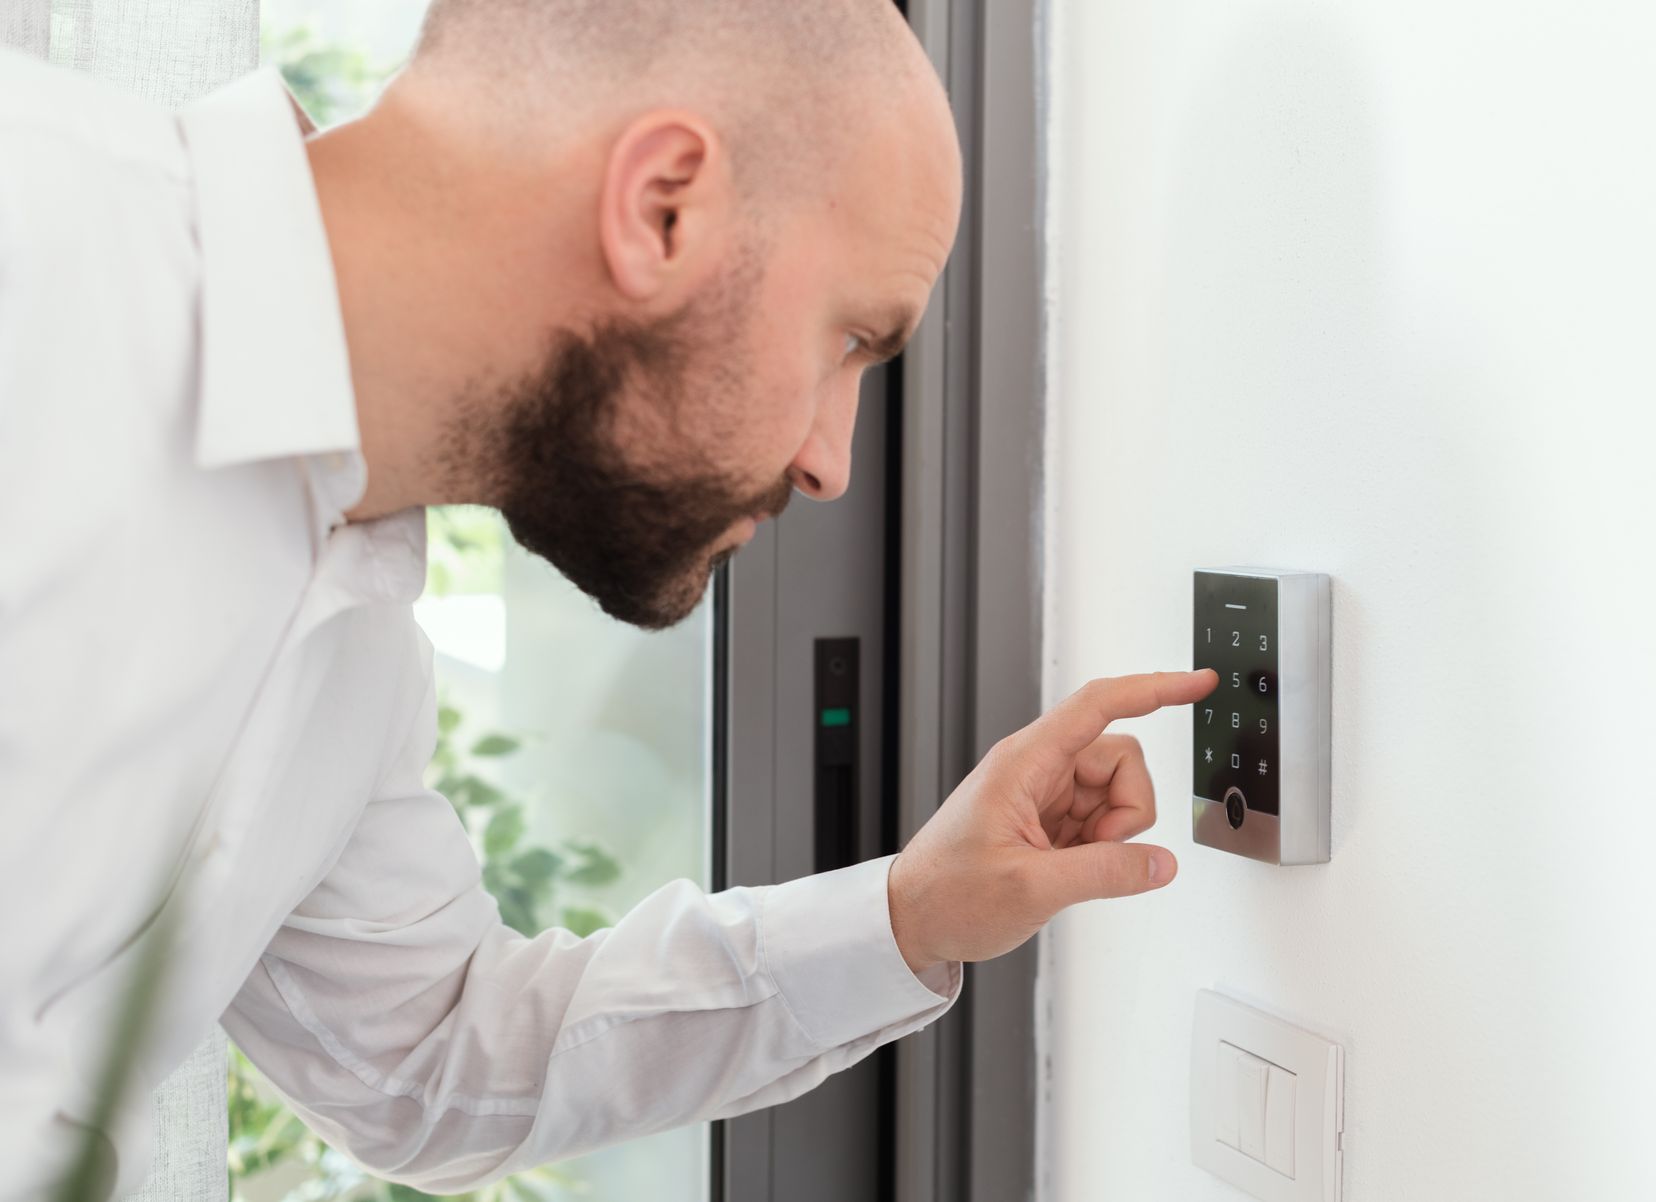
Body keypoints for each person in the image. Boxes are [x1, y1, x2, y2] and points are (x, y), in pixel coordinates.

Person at [0, 0, 1214, 1194]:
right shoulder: (33, 245)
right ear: (662, 205)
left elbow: (430, 1059)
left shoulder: (354, 643)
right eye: (848, 339)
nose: (831, 462)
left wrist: (910, 913)